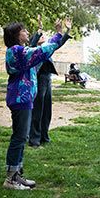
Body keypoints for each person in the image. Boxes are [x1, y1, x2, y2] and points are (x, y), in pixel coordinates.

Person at [2, 18, 65, 190]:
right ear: (16, 35)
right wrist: (59, 34)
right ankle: (10, 179)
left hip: (24, 99)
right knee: (20, 137)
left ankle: (17, 174)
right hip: (20, 99)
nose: (27, 33)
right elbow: (42, 51)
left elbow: (39, 50)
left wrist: (58, 35)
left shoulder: (21, 50)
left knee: (22, 137)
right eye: (24, 30)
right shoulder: (16, 51)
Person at [28, 16, 72, 147]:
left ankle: (44, 136)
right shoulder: (33, 50)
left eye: (43, 36)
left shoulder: (46, 48)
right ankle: (34, 140)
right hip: (37, 80)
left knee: (47, 110)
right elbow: (31, 44)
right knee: (37, 110)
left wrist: (64, 30)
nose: (43, 37)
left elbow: (56, 43)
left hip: (47, 80)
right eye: (41, 36)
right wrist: (39, 30)